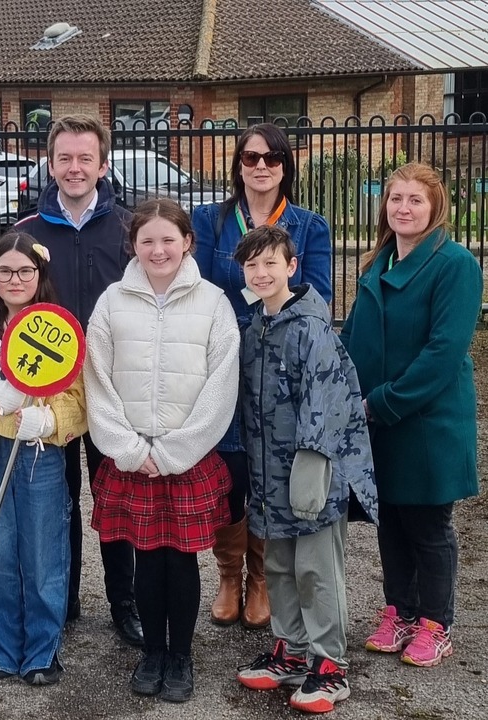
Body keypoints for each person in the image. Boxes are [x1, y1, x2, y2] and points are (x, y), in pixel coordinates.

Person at [84, 199, 238, 702]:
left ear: (188, 242)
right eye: (147, 240)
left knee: (181, 561)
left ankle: (181, 655)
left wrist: (177, 451)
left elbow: (221, 385)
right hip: (132, 459)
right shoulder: (111, 301)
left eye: (168, 239)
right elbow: (97, 380)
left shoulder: (214, 302)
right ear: (133, 245)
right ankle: (152, 651)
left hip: (185, 457)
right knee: (145, 561)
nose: (158, 249)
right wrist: (127, 449)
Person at [340, 162, 482, 668]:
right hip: (378, 418)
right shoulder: (379, 261)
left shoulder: (456, 264)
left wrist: (380, 402)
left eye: (414, 200)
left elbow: (444, 352)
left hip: (424, 420)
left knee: (427, 523)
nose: (402, 207)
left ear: (435, 207)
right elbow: (352, 335)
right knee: (390, 520)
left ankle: (436, 623)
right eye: (395, 198)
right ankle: (400, 610)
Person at [192, 122, 332, 628]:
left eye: (272, 158)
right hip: (223, 365)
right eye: (250, 158)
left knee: (271, 474)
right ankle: (229, 574)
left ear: (285, 166)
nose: (261, 167)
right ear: (238, 166)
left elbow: (317, 299)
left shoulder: (310, 226)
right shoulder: (208, 220)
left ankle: (261, 578)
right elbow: (199, 289)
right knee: (229, 476)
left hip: (280, 372)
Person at [233, 225, 377, 714]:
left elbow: (327, 400)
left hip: (308, 474)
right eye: (252, 265)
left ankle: (328, 663)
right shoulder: (255, 328)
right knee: (278, 565)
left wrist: (313, 465)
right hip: (268, 474)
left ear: (291, 267)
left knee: (317, 569)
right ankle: (290, 649)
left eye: (270, 262)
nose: (261, 272)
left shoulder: (311, 328)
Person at [15, 114, 141, 646]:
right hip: (51, 391)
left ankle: (125, 600)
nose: (74, 168)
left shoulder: (131, 230)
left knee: (115, 497)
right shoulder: (24, 234)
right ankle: (61, 598)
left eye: (84, 158)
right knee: (54, 498)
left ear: (102, 164)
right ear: (50, 162)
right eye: (64, 158)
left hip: (114, 389)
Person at [0, 233, 86, 686]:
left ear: (39, 275)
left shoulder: (60, 329)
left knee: (44, 548)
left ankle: (42, 649)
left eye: (25, 271)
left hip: (37, 453)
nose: (14, 279)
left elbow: (78, 395)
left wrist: (49, 421)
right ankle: (2, 645)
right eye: (5, 270)